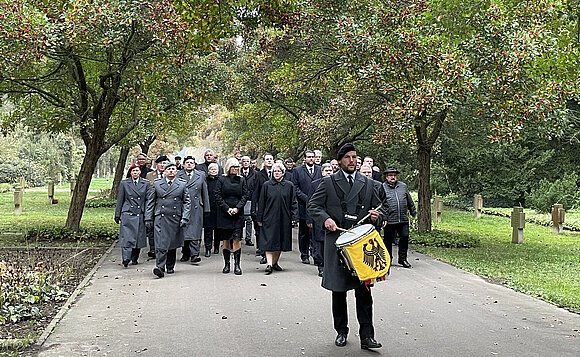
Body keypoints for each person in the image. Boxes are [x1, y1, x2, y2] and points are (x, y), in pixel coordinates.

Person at [307, 143, 385, 350]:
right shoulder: (328, 182)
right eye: (348, 157)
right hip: (337, 242)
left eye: (355, 157)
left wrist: (378, 217)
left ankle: (367, 336)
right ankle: (341, 331)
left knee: (364, 292)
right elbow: (313, 205)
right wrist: (325, 219)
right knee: (339, 291)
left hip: (361, 246)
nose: (352, 161)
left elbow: (380, 209)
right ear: (340, 160)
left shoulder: (368, 184)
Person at [145, 162, 191, 278]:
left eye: (173, 169)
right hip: (160, 216)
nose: (171, 171)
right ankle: (159, 267)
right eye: (168, 169)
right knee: (160, 243)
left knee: (172, 242)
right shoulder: (157, 183)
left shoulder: (182, 184)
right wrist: (148, 217)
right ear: (164, 171)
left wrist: (185, 217)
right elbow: (151, 202)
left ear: (176, 172)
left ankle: (170, 265)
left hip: (175, 217)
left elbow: (187, 202)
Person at [257, 162, 298, 274]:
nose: (276, 173)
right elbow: (261, 203)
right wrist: (259, 218)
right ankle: (269, 264)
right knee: (269, 241)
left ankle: (275, 262)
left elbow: (293, 202)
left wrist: (295, 216)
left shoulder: (289, 185)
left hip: (284, 218)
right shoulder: (266, 185)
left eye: (279, 171)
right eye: (275, 171)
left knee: (280, 241)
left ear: (283, 173)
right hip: (269, 217)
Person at [215, 158, 248, 275]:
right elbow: (217, 195)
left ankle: (237, 265)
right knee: (226, 240)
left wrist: (237, 208)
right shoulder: (221, 179)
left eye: (237, 167)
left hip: (237, 213)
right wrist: (227, 208)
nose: (235, 169)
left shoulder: (242, 180)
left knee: (237, 238)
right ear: (228, 168)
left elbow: (245, 195)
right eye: (233, 167)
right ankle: (227, 264)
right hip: (225, 213)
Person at [115, 163, 149, 267]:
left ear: (140, 172)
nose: (135, 173)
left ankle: (134, 258)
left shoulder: (145, 183)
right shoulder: (124, 183)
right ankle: (126, 258)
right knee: (126, 236)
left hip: (140, 213)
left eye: (137, 171)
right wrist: (117, 214)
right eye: (133, 171)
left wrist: (148, 215)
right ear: (130, 172)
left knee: (138, 237)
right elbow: (120, 199)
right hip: (128, 213)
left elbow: (148, 200)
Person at [177, 156, 210, 261]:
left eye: (192, 162)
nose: (189, 164)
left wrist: (206, 208)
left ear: (195, 165)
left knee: (195, 231)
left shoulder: (200, 175)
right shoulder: (178, 175)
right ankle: (185, 253)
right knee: (184, 230)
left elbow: (204, 192)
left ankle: (195, 254)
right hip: (183, 206)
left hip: (196, 207)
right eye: (187, 162)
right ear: (183, 165)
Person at [382, 167, 416, 268]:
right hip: (390, 219)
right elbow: (380, 204)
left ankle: (403, 259)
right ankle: (388, 259)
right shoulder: (382, 187)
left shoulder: (403, 186)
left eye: (394, 175)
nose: (393, 177)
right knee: (388, 240)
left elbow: (409, 200)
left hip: (403, 218)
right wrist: (383, 217)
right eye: (390, 175)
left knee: (404, 237)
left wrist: (413, 211)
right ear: (386, 177)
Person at [292, 150, 322, 264]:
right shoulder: (297, 171)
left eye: (312, 157)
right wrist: (306, 198)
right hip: (303, 205)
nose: (310, 159)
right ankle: (304, 254)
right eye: (308, 157)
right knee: (304, 232)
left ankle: (316, 255)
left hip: (317, 205)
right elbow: (295, 187)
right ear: (304, 159)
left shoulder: (319, 170)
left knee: (315, 232)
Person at [306, 162, 334, 277]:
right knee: (319, 243)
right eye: (326, 170)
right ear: (322, 172)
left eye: (330, 170)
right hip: (318, 218)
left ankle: (330, 266)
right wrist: (309, 219)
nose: (328, 172)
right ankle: (321, 266)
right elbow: (310, 202)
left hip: (333, 218)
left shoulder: (337, 184)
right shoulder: (315, 184)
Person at [251, 153, 275, 264]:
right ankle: (264, 253)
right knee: (261, 231)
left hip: (274, 207)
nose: (269, 161)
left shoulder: (277, 173)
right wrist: (254, 208)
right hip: (262, 207)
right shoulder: (258, 175)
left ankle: (273, 255)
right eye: (267, 159)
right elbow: (255, 192)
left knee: (272, 232)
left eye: (271, 159)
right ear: (264, 162)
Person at [144, 155, 169, 257]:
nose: (162, 165)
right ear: (156, 164)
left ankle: (165, 248)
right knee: (152, 229)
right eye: (160, 163)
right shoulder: (150, 175)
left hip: (167, 207)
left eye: (165, 163)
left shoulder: (171, 175)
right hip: (154, 206)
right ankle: (153, 249)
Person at [240, 156, 258, 247]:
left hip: (251, 199)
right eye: (244, 161)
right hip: (240, 199)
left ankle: (248, 238)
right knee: (239, 218)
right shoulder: (238, 173)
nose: (246, 163)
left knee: (249, 219)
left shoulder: (255, 174)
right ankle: (238, 237)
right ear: (241, 163)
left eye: (247, 161)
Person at [204, 163, 221, 255]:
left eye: (215, 169)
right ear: (208, 171)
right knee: (208, 230)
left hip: (218, 208)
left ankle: (216, 247)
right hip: (208, 208)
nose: (213, 170)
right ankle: (208, 248)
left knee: (217, 230)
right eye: (212, 169)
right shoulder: (205, 180)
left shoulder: (221, 180)